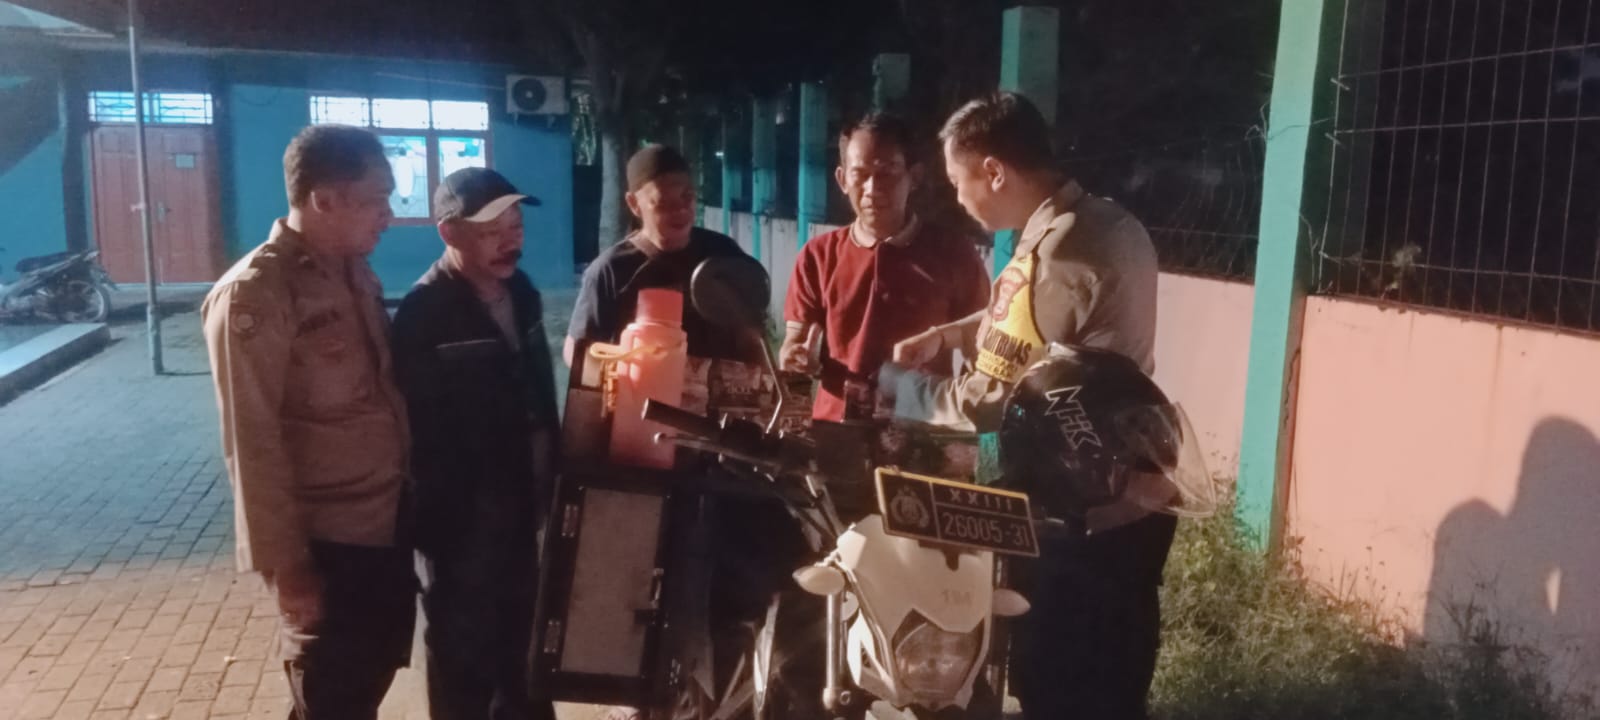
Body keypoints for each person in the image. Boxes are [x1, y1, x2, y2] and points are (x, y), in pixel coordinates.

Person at [880, 91, 1175, 720]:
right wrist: (948, 335)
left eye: (958, 182)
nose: (958, 200)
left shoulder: (1053, 255)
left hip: (1077, 508)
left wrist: (897, 389)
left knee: (1055, 685)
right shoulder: (1106, 223)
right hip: (1136, 493)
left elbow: (986, 401)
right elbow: (1033, 322)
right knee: (1117, 683)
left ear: (994, 171)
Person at [201, 124, 414, 720]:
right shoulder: (255, 294)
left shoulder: (354, 272)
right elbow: (251, 441)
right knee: (329, 698)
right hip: (325, 546)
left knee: (364, 684)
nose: (388, 215)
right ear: (324, 200)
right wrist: (287, 567)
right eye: (376, 199)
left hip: (382, 525)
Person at [391, 168, 560, 720]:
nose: (511, 241)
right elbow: (417, 430)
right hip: (462, 524)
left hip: (526, 506)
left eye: (516, 226)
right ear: (449, 233)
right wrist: (450, 514)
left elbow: (539, 391)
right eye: (492, 231)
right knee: (463, 656)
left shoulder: (522, 292)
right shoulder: (424, 312)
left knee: (527, 646)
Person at [780, 112, 990, 423]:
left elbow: (982, 339)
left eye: (887, 173)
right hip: (834, 430)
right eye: (860, 174)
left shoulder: (954, 253)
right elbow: (794, 343)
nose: (872, 188)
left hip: (921, 431)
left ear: (914, 177)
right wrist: (795, 357)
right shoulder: (817, 256)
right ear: (842, 179)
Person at [565, 143, 753, 366]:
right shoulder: (610, 271)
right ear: (634, 204)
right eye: (664, 201)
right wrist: (621, 370)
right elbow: (577, 352)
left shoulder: (724, 254)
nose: (680, 209)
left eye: (687, 196)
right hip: (643, 387)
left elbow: (753, 337)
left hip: (723, 388)